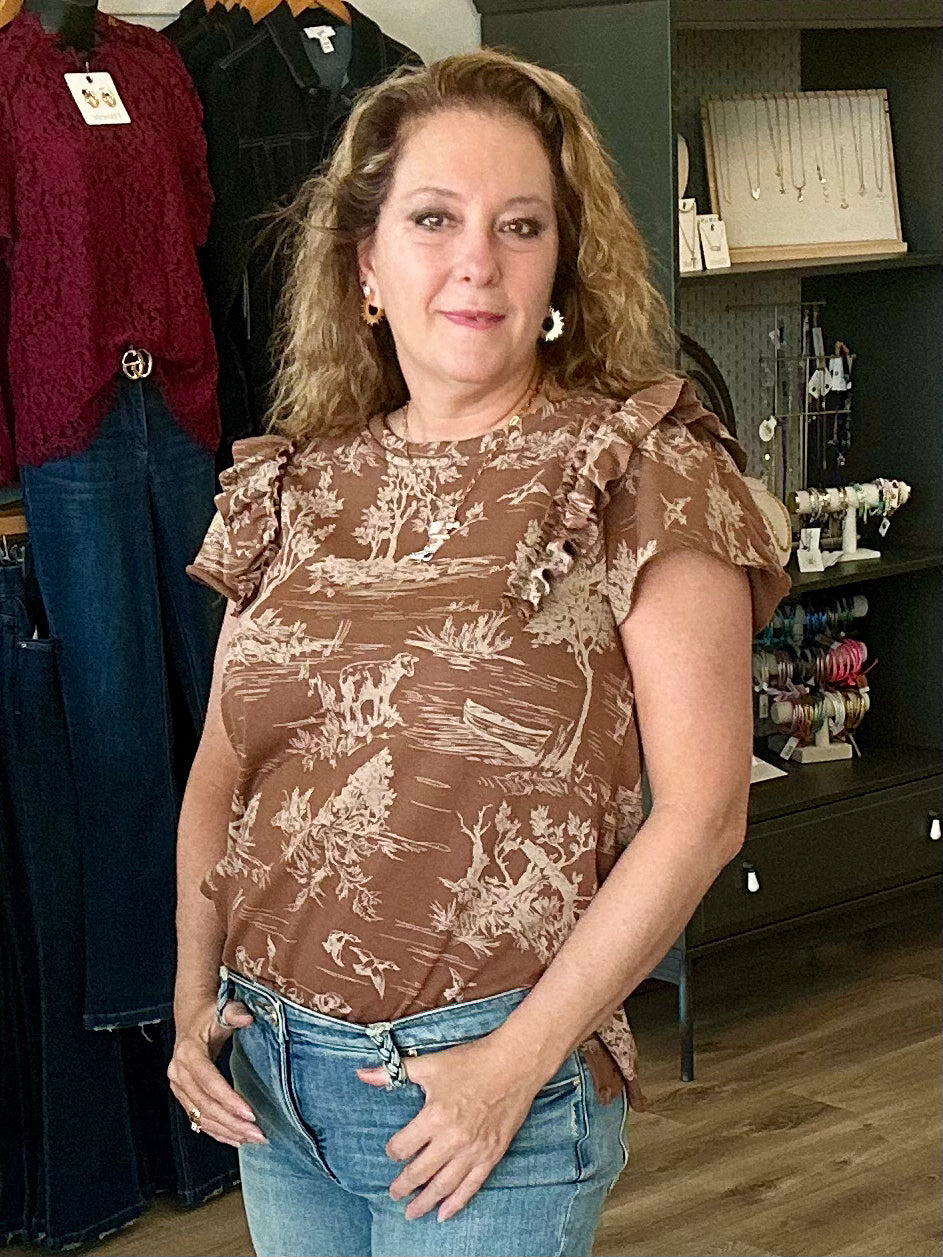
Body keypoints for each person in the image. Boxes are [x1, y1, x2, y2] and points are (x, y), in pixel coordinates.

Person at [170, 49, 791, 1257]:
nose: (477, 262)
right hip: (271, 1081)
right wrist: (194, 995)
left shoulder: (641, 470)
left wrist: (513, 1067)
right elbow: (222, 772)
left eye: (520, 226)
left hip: (486, 1090)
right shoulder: (291, 486)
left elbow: (704, 814)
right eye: (433, 219)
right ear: (365, 264)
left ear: (561, 263)